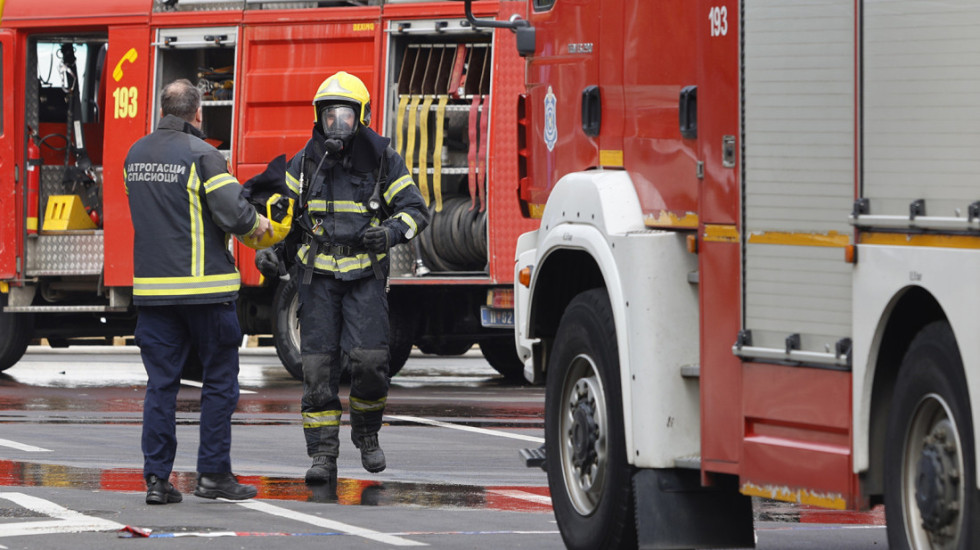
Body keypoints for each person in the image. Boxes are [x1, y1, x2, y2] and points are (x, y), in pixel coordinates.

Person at [256, 71, 429, 484]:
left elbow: (416, 211)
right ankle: (322, 456)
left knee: (371, 362)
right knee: (317, 368)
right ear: (319, 117)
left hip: (365, 276)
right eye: (329, 116)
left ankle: (367, 436)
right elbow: (287, 222)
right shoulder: (303, 163)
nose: (336, 125)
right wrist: (272, 253)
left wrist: (388, 232)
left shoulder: (384, 159)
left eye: (345, 117)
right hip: (316, 279)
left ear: (361, 117)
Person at [126, 79, 273, 504]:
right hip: (206, 294)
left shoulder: (134, 155)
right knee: (220, 385)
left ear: (162, 109)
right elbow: (237, 216)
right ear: (198, 113)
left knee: (161, 387)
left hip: (153, 296)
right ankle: (212, 476)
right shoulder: (203, 156)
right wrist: (267, 228)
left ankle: (156, 481)